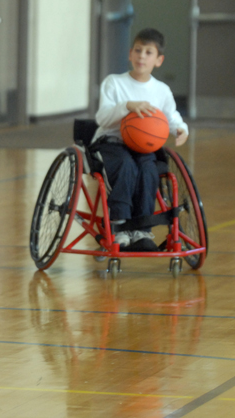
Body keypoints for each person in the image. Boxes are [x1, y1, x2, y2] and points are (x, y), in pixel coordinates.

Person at [91, 28, 188, 251]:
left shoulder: (161, 90)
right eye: (138, 50)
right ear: (130, 54)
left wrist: (181, 129)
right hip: (112, 142)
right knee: (125, 165)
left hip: (143, 147)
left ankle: (142, 229)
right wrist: (127, 106)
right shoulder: (114, 83)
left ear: (159, 60)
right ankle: (120, 226)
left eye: (148, 52)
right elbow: (102, 118)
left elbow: (171, 117)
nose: (142, 56)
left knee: (148, 169)